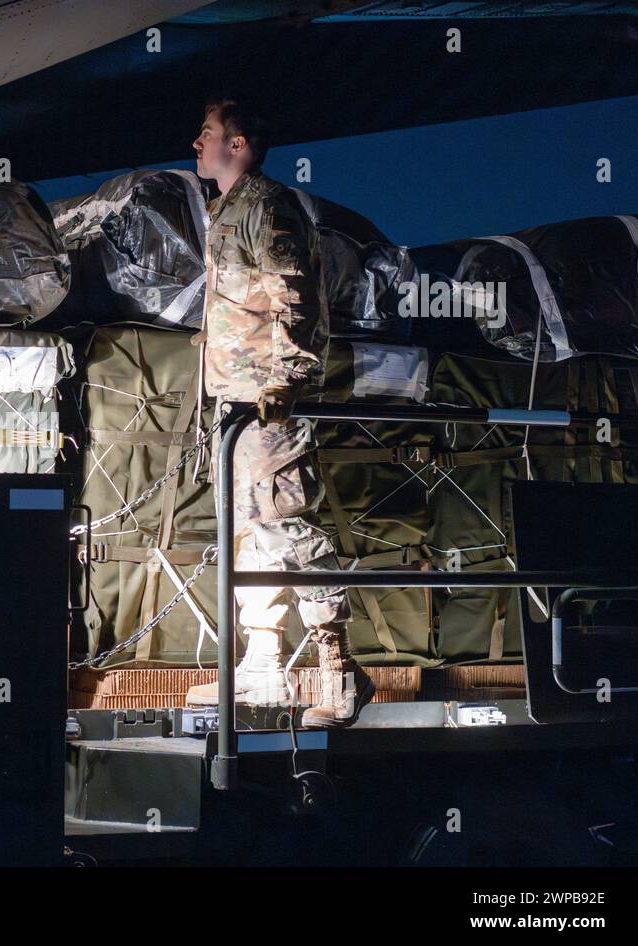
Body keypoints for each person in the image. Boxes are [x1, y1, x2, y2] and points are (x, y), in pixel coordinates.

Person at [184, 97, 373, 728]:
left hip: (266, 404)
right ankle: (262, 663)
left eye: (207, 133)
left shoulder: (267, 208)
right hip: (234, 401)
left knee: (287, 525)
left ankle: (339, 668)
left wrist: (286, 381)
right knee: (247, 531)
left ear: (236, 144)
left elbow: (295, 295)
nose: (197, 144)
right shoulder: (227, 210)